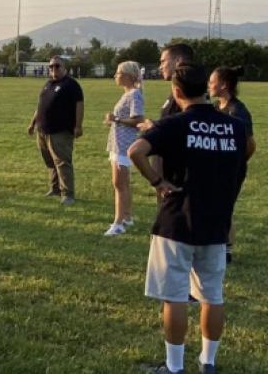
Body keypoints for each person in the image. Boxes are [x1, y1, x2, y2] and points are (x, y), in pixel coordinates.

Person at [128, 63, 252, 374]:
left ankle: (174, 367)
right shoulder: (234, 125)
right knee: (212, 294)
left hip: (177, 221)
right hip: (216, 222)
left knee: (174, 297)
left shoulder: (175, 124)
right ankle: (208, 363)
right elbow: (250, 147)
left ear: (178, 91)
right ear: (205, 89)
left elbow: (135, 151)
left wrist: (157, 183)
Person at [208, 66, 256, 264]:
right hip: (217, 169)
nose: (209, 86)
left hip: (231, 170)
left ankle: (225, 250)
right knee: (217, 205)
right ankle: (216, 245)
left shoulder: (237, 111)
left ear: (224, 85)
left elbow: (250, 145)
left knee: (225, 207)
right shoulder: (217, 108)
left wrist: (236, 162)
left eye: (212, 82)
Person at [27, 56, 84, 204]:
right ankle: (55, 189)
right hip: (43, 130)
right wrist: (33, 123)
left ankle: (68, 194)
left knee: (62, 162)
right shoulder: (48, 84)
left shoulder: (71, 84)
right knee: (50, 162)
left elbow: (79, 105)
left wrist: (78, 126)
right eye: (51, 67)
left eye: (57, 66)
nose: (53, 69)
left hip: (60, 131)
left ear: (64, 67)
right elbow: (40, 105)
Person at [103, 61, 145, 236]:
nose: (115, 76)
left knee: (119, 183)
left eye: (118, 73)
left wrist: (117, 119)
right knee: (122, 183)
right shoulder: (127, 94)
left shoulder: (134, 94)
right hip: (117, 143)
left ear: (128, 76)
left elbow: (138, 120)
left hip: (124, 145)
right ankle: (127, 216)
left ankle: (118, 222)